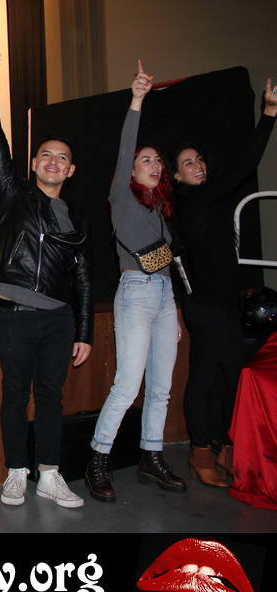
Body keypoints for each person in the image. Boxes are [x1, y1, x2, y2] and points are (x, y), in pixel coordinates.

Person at [0, 49, 93, 509]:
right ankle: (15, 472)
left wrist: (84, 331)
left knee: (50, 397)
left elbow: (82, 277)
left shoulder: (77, 217)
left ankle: (49, 474)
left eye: (61, 158)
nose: (53, 161)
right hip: (15, 316)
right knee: (14, 394)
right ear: (33, 164)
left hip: (59, 320)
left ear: (70, 170)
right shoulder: (13, 195)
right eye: (45, 155)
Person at [85, 61, 186, 502]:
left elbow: (167, 266)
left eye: (158, 160)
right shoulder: (122, 198)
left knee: (161, 386)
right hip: (135, 294)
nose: (154, 164)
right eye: (146, 160)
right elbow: (127, 146)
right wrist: (138, 99)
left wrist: (174, 310)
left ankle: (151, 455)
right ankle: (98, 458)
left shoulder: (159, 210)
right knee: (128, 383)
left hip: (163, 296)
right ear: (131, 170)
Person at [169, 79, 277, 487]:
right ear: (177, 176)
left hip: (223, 303)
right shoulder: (196, 201)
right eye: (188, 163)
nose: (198, 165)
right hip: (206, 307)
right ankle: (202, 451)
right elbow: (246, 163)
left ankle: (222, 446)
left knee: (228, 374)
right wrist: (268, 115)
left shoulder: (208, 200)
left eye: (199, 160)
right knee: (207, 377)